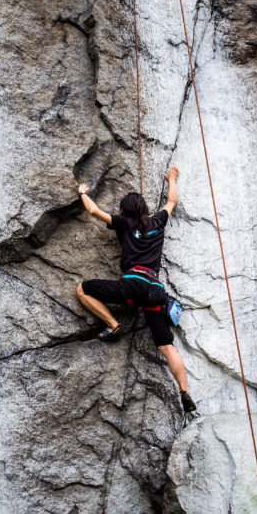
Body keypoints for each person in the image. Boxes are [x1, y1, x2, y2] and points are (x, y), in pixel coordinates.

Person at [76, 167, 196, 413]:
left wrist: (83, 193)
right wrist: (172, 178)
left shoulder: (124, 223)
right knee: (166, 345)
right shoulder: (157, 221)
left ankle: (112, 324)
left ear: (125, 210)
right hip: (155, 289)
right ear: (143, 208)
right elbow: (171, 201)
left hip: (132, 283)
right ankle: (184, 390)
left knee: (82, 289)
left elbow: (94, 211)